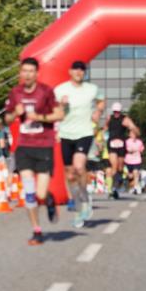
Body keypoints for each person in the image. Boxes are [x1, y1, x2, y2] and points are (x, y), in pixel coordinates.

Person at [5, 57, 64, 245]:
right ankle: (37, 231)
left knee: (40, 193)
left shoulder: (46, 92)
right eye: (25, 71)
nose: (27, 74)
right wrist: (16, 113)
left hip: (44, 145)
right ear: (20, 73)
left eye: (31, 71)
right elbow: (7, 118)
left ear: (37, 73)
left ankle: (49, 198)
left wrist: (39, 116)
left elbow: (59, 114)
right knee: (29, 192)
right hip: (24, 146)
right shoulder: (15, 93)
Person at [54, 60, 105, 228]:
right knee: (69, 174)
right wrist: (61, 106)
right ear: (70, 71)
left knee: (79, 167)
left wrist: (98, 111)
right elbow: (54, 112)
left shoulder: (92, 89)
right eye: (75, 69)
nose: (78, 72)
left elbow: (101, 101)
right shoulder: (60, 90)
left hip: (84, 132)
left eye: (81, 70)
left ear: (84, 73)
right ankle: (78, 205)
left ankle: (84, 199)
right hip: (66, 134)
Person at [104, 102, 138, 199]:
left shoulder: (125, 119)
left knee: (120, 167)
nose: (116, 114)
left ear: (120, 111)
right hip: (111, 144)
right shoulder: (109, 118)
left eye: (118, 112)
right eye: (115, 112)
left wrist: (134, 129)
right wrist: (104, 135)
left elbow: (132, 126)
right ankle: (113, 188)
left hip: (122, 144)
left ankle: (118, 182)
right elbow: (105, 128)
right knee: (114, 166)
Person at [124, 128, 144, 194]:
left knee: (136, 173)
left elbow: (142, 149)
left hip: (137, 160)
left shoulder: (139, 142)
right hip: (128, 160)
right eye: (132, 134)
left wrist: (139, 151)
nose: (133, 135)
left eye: (134, 134)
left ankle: (136, 187)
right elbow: (125, 149)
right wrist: (129, 150)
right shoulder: (127, 141)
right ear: (129, 135)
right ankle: (132, 187)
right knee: (130, 176)